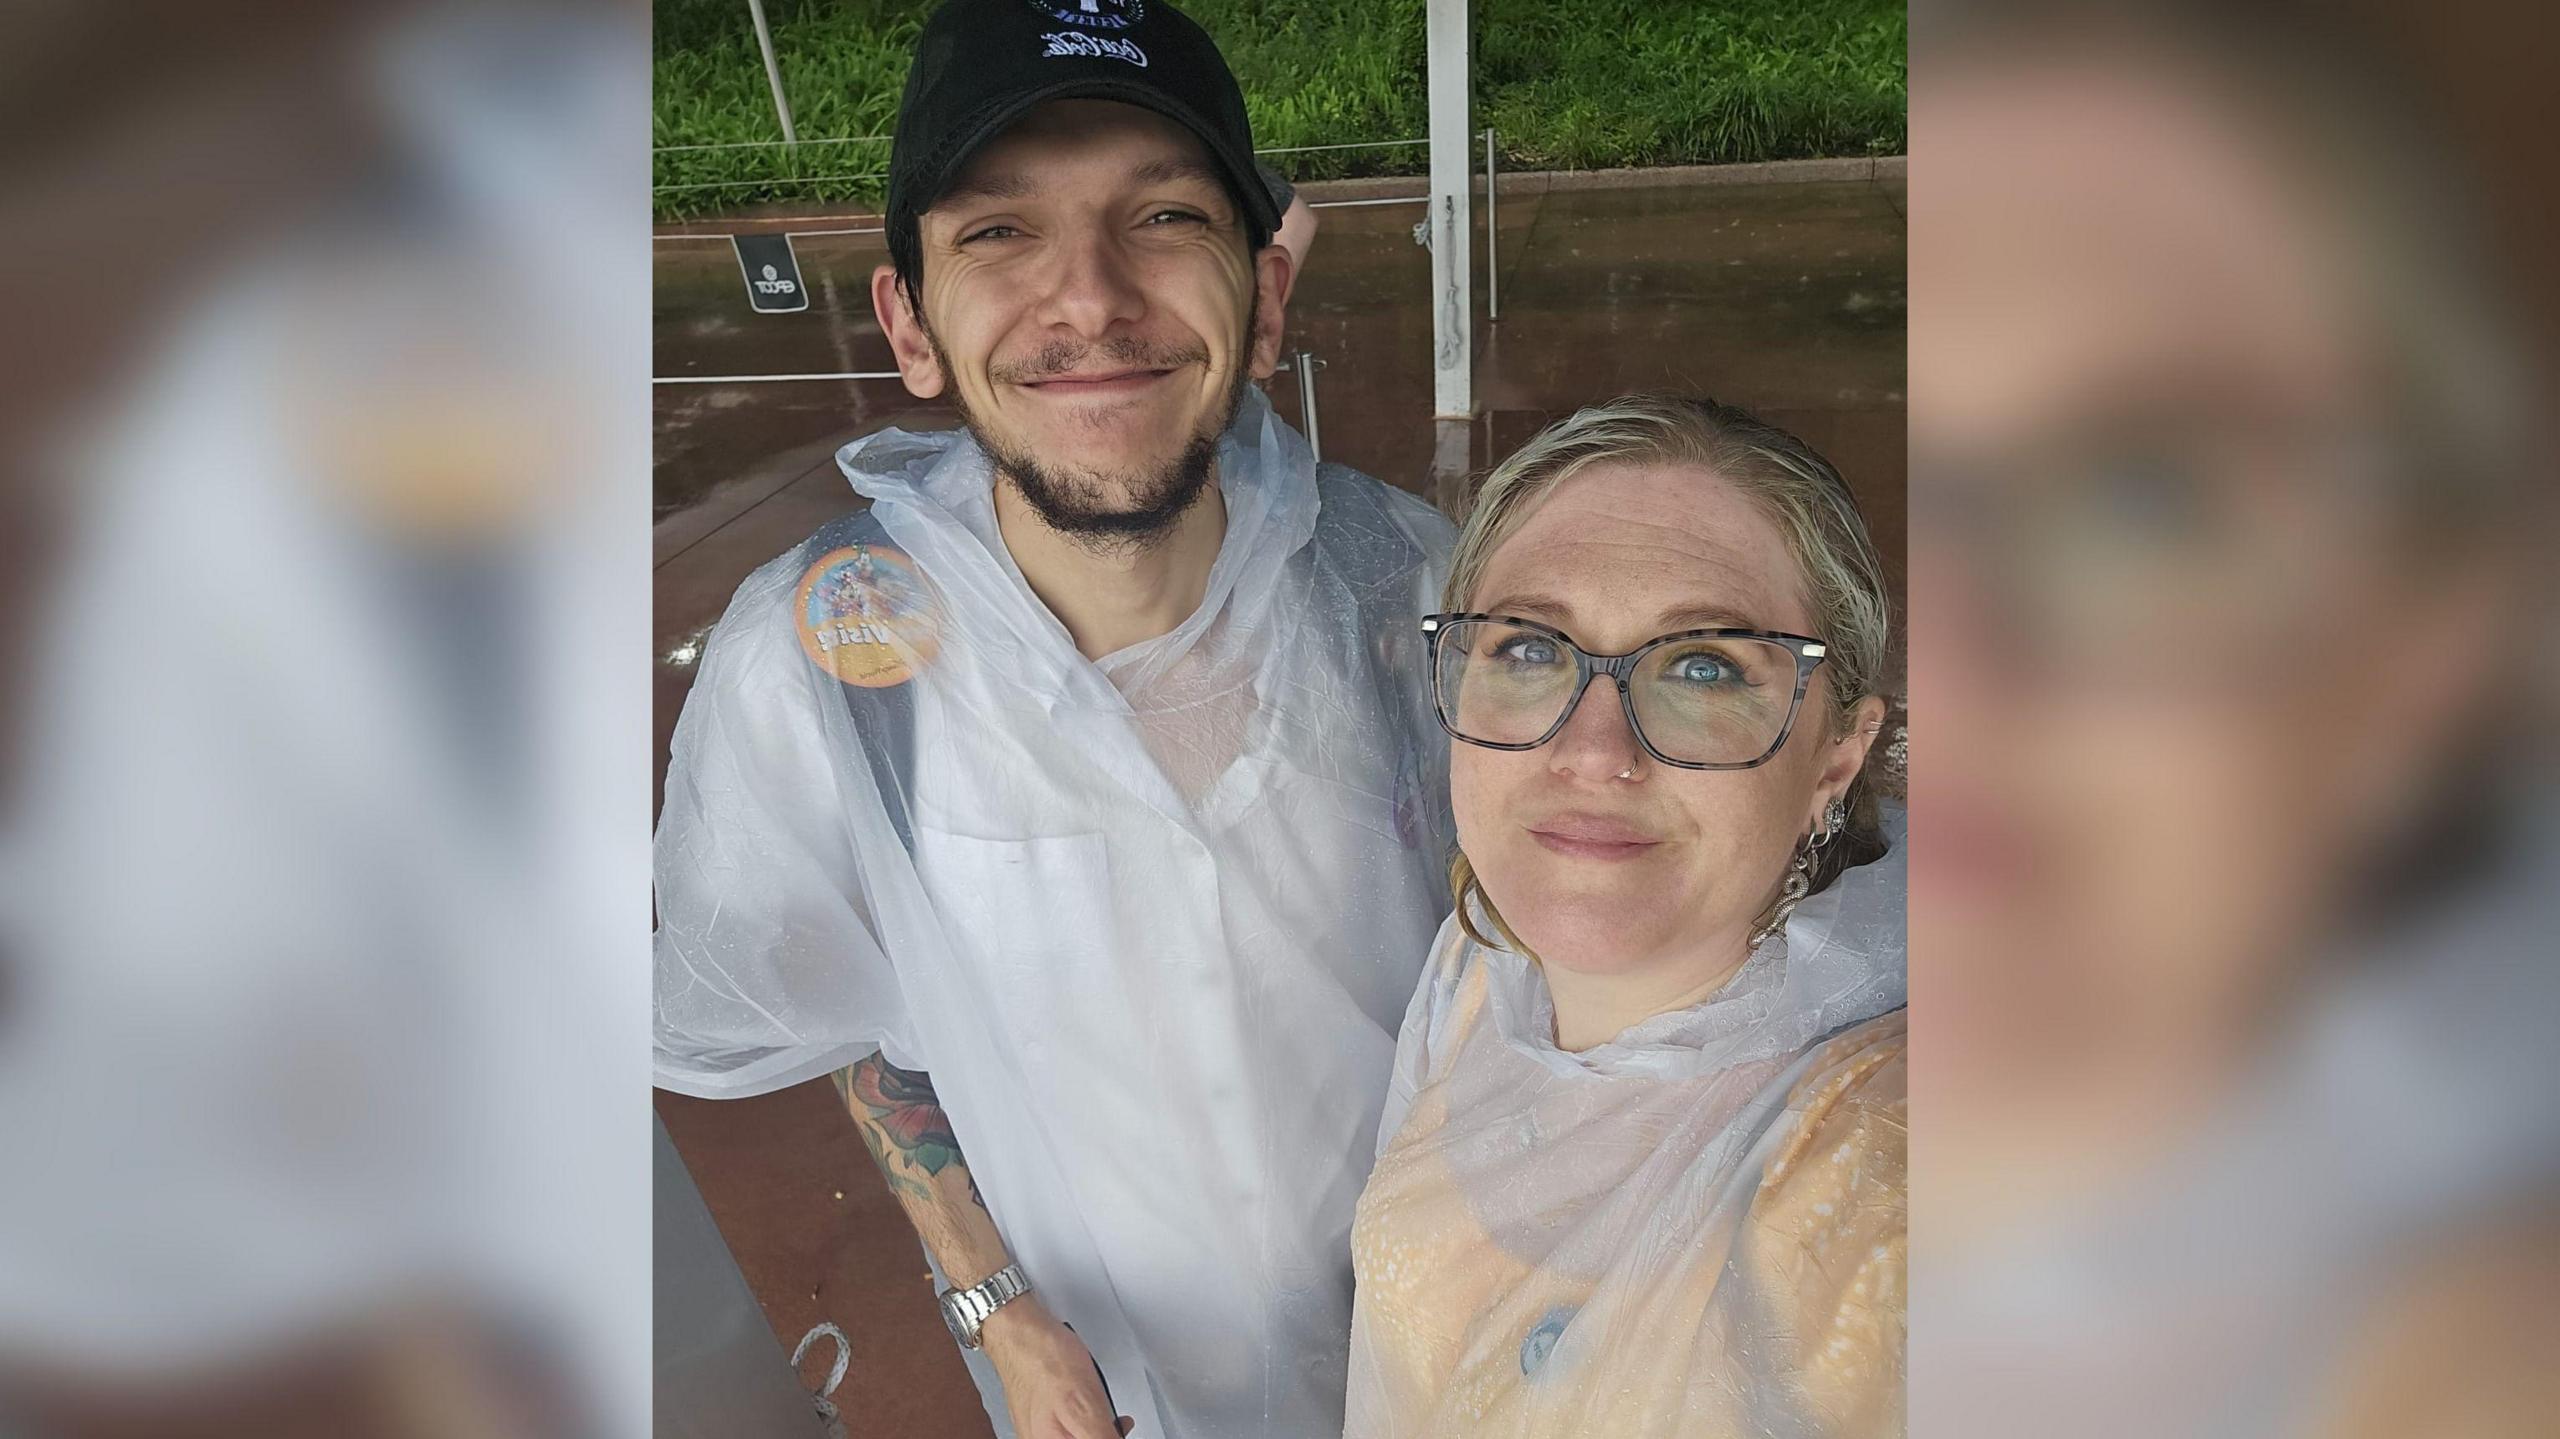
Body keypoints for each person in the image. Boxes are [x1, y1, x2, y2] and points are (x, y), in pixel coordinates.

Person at [652, 3, 1456, 1437]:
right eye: (998, 234)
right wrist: (992, 1307)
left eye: (1159, 216)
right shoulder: (827, 665)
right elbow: (849, 1004)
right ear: (909, 322)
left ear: (1264, 300)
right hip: (1095, 1385)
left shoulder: (1420, 599)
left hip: (1439, 1354)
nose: (1087, 299)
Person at [1344, 396, 1908, 1437]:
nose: (1594, 749)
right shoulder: (1483, 959)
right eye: (1527, 650)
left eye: (1702, 667)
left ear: (1836, 753)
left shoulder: (1879, 1162)